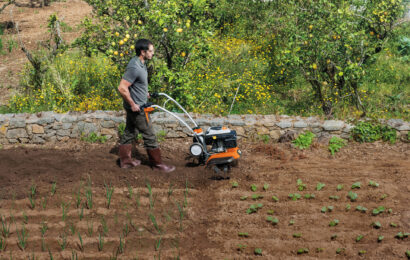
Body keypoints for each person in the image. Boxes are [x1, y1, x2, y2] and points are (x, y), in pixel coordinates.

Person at [117, 39, 175, 172]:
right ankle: (157, 164)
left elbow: (135, 83)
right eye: (150, 51)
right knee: (149, 135)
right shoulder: (134, 67)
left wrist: (144, 92)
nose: (153, 53)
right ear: (143, 52)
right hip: (138, 109)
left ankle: (125, 162)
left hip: (137, 104)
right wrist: (132, 104)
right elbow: (122, 87)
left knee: (129, 132)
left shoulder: (141, 63)